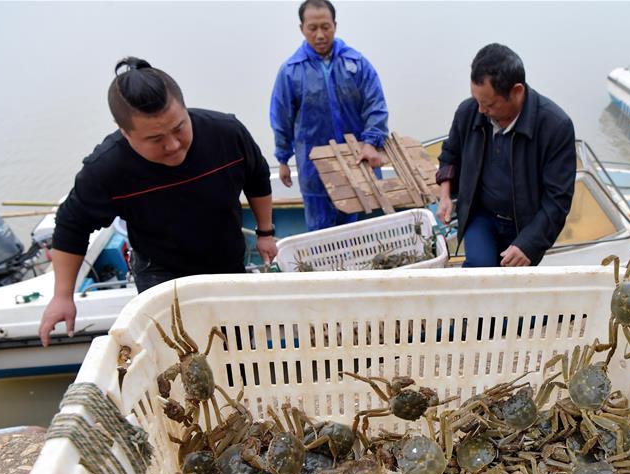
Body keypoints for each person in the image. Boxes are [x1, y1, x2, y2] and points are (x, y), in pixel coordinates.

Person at [38, 57, 276, 347]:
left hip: (226, 260)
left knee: (236, 345)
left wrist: (265, 232)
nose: (173, 145)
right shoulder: (107, 169)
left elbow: (257, 176)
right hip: (159, 271)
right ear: (124, 132)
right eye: (155, 138)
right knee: (177, 352)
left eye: (179, 128)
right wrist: (63, 296)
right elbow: (70, 225)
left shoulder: (226, 133)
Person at [436, 43, 576, 267]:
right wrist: (445, 195)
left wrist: (529, 244)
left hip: (525, 224)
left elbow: (557, 200)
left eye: (488, 104)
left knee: (513, 284)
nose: (481, 110)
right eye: (477, 100)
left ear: (517, 91)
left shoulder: (555, 127)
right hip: (481, 214)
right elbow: (449, 154)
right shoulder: (469, 112)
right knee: (480, 269)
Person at [270, 0, 388, 231]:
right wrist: (283, 158)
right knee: (321, 233)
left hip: (358, 159)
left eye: (326, 27)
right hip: (314, 166)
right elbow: (281, 117)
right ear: (302, 28)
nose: (320, 35)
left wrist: (371, 142)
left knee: (362, 231)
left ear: (335, 25)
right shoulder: (290, 71)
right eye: (312, 28)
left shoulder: (357, 63)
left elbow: (376, 105)